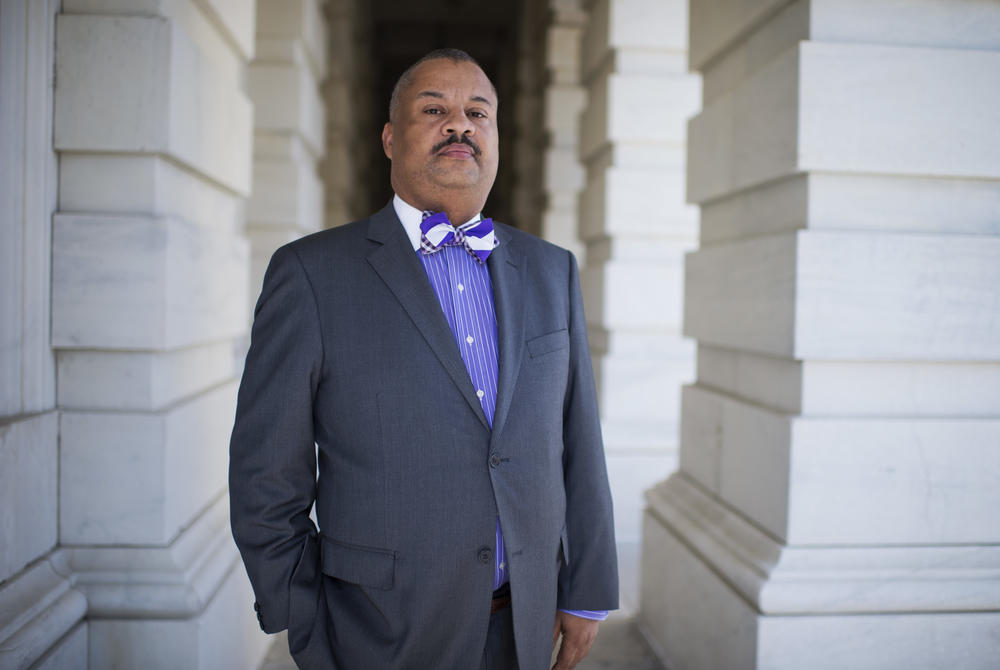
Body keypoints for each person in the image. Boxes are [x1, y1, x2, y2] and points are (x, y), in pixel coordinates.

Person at [229, 48, 618, 670]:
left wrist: (589, 591)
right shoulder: (310, 275)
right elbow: (265, 477)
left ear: (495, 137)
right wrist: (303, 621)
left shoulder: (552, 270)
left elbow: (579, 441)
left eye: (477, 112)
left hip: (524, 625)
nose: (458, 124)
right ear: (389, 137)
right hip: (377, 633)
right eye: (434, 109)